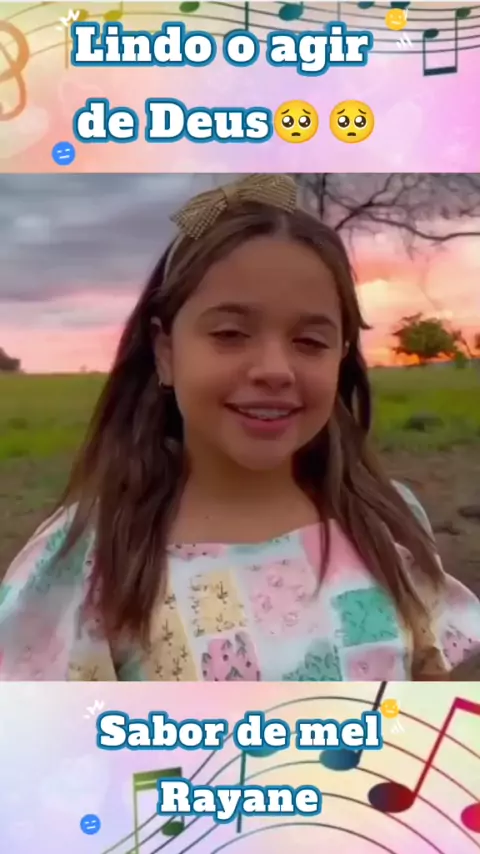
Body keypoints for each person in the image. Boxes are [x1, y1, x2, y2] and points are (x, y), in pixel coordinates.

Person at [1, 173, 479, 682]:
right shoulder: (90, 557)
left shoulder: (387, 522)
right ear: (166, 352)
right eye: (230, 334)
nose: (275, 370)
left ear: (341, 357)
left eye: (310, 342)